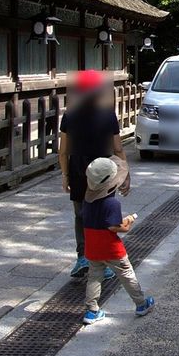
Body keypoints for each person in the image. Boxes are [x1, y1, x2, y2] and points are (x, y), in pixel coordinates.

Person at [59, 69, 124, 277]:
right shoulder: (108, 115)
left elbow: (63, 150)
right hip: (104, 172)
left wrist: (65, 175)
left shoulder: (70, 115)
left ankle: (82, 257)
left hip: (78, 170)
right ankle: (102, 262)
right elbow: (118, 148)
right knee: (103, 215)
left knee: (80, 215)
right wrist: (125, 173)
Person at [81, 155, 154, 324]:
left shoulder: (87, 200)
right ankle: (141, 303)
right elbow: (113, 227)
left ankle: (91, 311)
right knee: (126, 274)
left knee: (94, 276)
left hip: (92, 245)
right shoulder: (111, 204)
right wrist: (127, 223)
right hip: (111, 248)